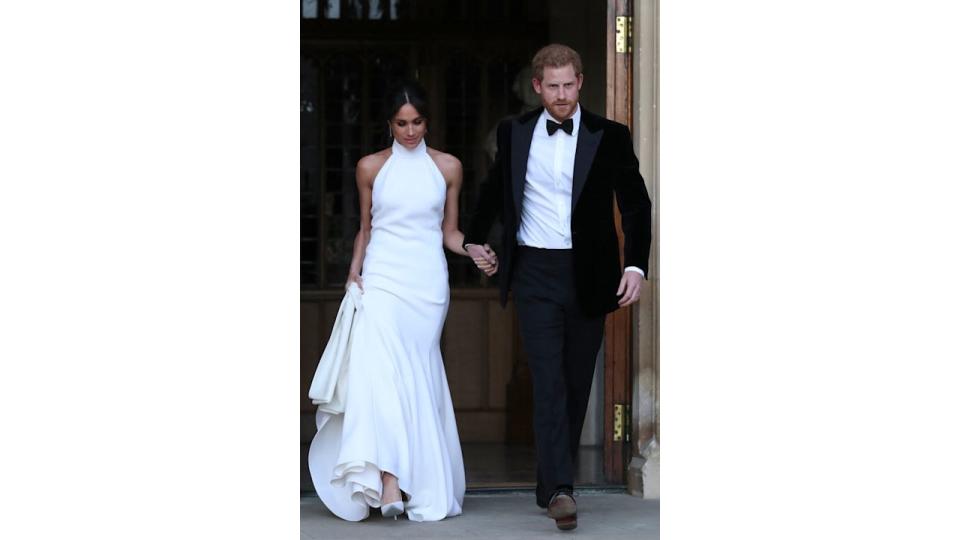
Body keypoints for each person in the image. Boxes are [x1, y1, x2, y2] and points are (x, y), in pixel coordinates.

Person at [463, 44, 652, 531]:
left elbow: (635, 204)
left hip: (589, 275)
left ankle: (551, 483)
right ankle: (563, 490)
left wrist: (635, 266)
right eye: (554, 86)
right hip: (534, 273)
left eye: (570, 85)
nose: (563, 95)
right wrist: (472, 241)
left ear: (581, 83)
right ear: (537, 87)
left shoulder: (609, 136)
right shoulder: (514, 132)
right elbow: (495, 192)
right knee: (547, 381)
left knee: (573, 382)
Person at [308, 81, 495, 522]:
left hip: (427, 286)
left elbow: (448, 232)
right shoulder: (370, 167)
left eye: (417, 122)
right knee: (381, 376)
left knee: (415, 378)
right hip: (382, 279)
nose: (410, 131)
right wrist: (355, 270)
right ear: (389, 124)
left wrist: (473, 249)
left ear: (427, 122)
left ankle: (413, 480)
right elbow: (366, 226)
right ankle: (390, 480)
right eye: (401, 123)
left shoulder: (448, 167)